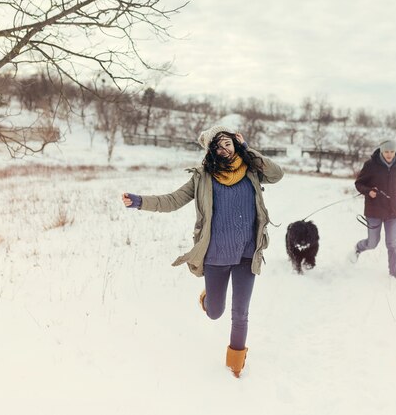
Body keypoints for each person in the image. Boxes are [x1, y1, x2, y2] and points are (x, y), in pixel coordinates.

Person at [121, 125, 283, 378]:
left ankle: (235, 366)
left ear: (236, 143)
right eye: (217, 146)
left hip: (247, 253)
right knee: (215, 313)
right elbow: (172, 200)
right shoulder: (202, 177)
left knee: (240, 313)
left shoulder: (252, 170)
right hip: (215, 254)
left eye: (228, 143)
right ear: (210, 151)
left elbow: (277, 174)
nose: (224, 149)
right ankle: (208, 298)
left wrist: (249, 150)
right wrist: (140, 201)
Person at [351, 140, 396, 278]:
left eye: (392, 151)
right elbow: (359, 183)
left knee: (392, 244)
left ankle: (393, 274)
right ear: (381, 151)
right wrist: (368, 191)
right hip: (374, 210)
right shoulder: (371, 165)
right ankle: (358, 248)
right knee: (372, 243)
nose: (389, 154)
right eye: (386, 151)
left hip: (393, 211)